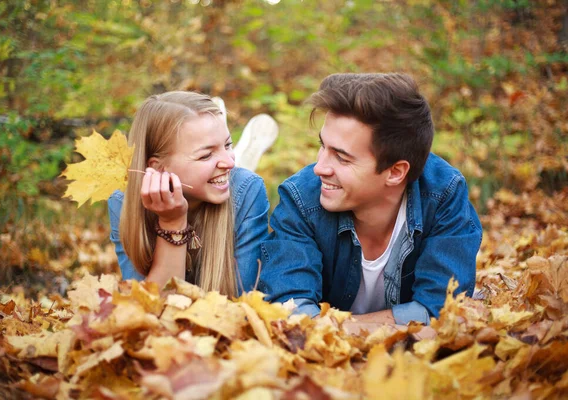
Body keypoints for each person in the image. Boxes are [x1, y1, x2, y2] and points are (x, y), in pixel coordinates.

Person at [258, 73, 482, 325]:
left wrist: (343, 328)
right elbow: (290, 311)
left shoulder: (443, 195)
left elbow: (442, 312)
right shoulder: (301, 198)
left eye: (341, 157)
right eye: (323, 146)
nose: (320, 168)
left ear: (395, 172)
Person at [108, 91, 270, 296]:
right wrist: (172, 222)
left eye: (228, 145)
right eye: (206, 155)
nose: (230, 162)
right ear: (157, 168)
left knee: (236, 177)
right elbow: (151, 310)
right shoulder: (123, 203)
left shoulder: (248, 191)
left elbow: (240, 305)